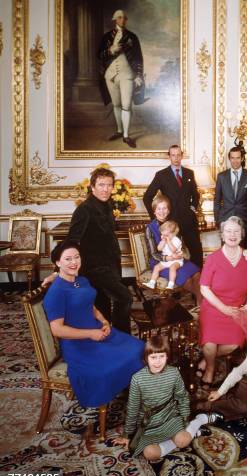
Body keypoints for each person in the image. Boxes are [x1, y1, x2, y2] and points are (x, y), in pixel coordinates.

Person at [43, 240, 144, 409]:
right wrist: (90, 333)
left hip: (99, 333)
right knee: (116, 364)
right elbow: (57, 329)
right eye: (68, 259)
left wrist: (104, 321)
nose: (74, 262)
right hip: (80, 346)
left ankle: (130, 389)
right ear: (57, 262)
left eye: (77, 257)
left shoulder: (81, 280)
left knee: (140, 347)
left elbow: (91, 306)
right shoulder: (56, 292)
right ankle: (121, 391)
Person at [113, 336, 221, 460]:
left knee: (182, 441)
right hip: (149, 424)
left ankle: (199, 420)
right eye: (153, 357)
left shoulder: (174, 372)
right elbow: (132, 408)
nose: (158, 362)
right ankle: (192, 434)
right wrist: (127, 435)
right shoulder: (137, 379)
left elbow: (182, 397)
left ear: (167, 357)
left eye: (162, 357)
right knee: (150, 454)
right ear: (145, 358)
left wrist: (185, 419)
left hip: (170, 417)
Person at [67, 166, 132, 333]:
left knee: (102, 307)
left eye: (109, 185)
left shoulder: (107, 205)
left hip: (109, 265)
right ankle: (121, 338)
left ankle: (106, 339)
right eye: (102, 185)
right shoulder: (84, 210)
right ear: (93, 187)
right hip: (94, 269)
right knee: (124, 297)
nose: (106, 189)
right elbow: (72, 241)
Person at [198, 216, 247, 388]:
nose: (232, 235)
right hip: (214, 307)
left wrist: (246, 307)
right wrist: (223, 308)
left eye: (236, 231)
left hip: (236, 309)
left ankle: (207, 358)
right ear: (222, 235)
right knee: (209, 343)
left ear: (242, 235)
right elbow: (204, 288)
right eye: (228, 231)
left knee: (234, 344)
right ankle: (210, 369)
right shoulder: (213, 258)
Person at [143, 145, 203, 268]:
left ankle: (199, 280)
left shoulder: (189, 173)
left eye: (178, 155)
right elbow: (147, 197)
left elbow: (195, 195)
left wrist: (192, 208)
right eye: (173, 155)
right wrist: (155, 217)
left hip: (189, 220)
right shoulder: (161, 175)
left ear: (182, 155)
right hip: (171, 222)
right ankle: (180, 282)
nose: (176, 158)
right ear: (169, 156)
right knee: (174, 252)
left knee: (196, 252)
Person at [97, 10, 144, 148]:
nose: (122, 20)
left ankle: (126, 135)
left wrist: (139, 75)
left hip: (127, 74)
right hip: (110, 75)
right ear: (114, 20)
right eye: (119, 17)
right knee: (116, 104)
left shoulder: (132, 37)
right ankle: (119, 130)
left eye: (124, 18)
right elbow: (99, 55)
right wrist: (110, 50)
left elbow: (138, 57)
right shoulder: (106, 37)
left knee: (126, 105)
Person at [144, 194, 201, 301]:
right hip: (160, 262)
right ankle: (202, 301)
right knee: (186, 278)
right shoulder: (150, 228)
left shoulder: (173, 225)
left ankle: (200, 303)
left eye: (165, 208)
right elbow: (153, 253)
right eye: (159, 209)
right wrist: (167, 258)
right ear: (154, 211)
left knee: (196, 274)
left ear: (169, 210)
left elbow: (180, 244)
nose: (162, 211)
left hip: (177, 258)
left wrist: (181, 254)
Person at [214, 147, 247, 249]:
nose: (235, 161)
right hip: (226, 221)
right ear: (229, 159)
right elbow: (217, 201)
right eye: (233, 158)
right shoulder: (221, 177)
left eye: (238, 158)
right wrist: (217, 220)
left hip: (245, 221)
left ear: (242, 158)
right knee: (227, 252)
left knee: (245, 252)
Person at [144, 220, 182, 290]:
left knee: (172, 268)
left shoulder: (176, 240)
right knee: (156, 267)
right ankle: (152, 282)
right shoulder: (164, 240)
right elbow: (159, 249)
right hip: (166, 260)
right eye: (162, 234)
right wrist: (163, 242)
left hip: (176, 260)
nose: (164, 236)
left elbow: (173, 250)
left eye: (166, 235)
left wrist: (168, 241)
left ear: (173, 234)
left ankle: (171, 284)